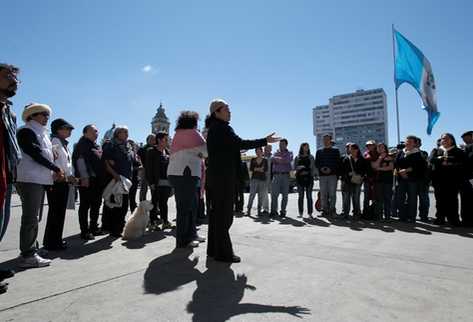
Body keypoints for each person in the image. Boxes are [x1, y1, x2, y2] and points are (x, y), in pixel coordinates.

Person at [206, 99, 279, 263]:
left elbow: (232, 147)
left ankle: (213, 250)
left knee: (216, 216)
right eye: (226, 109)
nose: (230, 112)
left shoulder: (215, 128)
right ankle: (223, 253)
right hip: (223, 179)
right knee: (224, 217)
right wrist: (264, 140)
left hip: (216, 178)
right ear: (217, 112)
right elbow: (240, 143)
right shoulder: (222, 128)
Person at [16, 103, 65, 268]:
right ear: (33, 115)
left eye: (47, 114)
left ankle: (32, 248)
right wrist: (55, 167)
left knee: (34, 217)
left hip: (40, 179)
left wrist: (53, 156)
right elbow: (34, 153)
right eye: (43, 114)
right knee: (30, 217)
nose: (46, 117)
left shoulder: (41, 133)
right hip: (30, 178)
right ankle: (27, 255)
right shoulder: (26, 130)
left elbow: (46, 153)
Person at [167, 111, 207, 248]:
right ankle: (183, 240)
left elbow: (201, 152)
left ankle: (191, 234)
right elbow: (206, 151)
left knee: (191, 207)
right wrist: (200, 152)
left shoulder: (179, 133)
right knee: (185, 208)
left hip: (183, 174)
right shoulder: (191, 133)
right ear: (193, 122)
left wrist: (199, 152)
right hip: (185, 173)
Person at [0, 63, 21, 293]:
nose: (13, 81)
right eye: (7, 76)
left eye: (16, 79)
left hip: (6, 173)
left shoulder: (8, 111)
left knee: (2, 223)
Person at [43, 118, 76, 251]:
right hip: (57, 181)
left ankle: (55, 239)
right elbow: (55, 162)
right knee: (56, 212)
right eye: (67, 129)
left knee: (59, 212)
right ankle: (52, 242)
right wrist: (63, 175)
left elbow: (66, 164)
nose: (69, 131)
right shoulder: (55, 142)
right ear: (58, 130)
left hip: (64, 180)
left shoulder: (62, 143)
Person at [72, 124, 106, 240]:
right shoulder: (81, 145)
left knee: (96, 205)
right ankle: (85, 231)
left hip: (97, 181)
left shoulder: (96, 145)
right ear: (85, 133)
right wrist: (84, 177)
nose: (96, 133)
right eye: (93, 131)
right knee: (85, 206)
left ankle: (94, 228)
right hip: (87, 180)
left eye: (97, 131)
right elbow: (80, 161)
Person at [102, 126, 135, 237]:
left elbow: (131, 161)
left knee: (124, 204)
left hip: (126, 180)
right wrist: (115, 175)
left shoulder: (128, 146)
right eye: (123, 132)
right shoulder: (110, 145)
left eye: (127, 132)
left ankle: (118, 227)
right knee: (115, 204)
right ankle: (113, 229)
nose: (126, 134)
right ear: (117, 133)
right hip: (115, 178)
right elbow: (105, 162)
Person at [429, 133, 467, 226]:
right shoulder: (436, 150)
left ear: (452, 140)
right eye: (442, 139)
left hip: (453, 180)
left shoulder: (458, 151)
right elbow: (431, 160)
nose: (443, 140)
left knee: (452, 200)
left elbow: (463, 163)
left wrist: (450, 164)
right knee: (439, 200)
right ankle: (440, 218)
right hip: (438, 180)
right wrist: (441, 158)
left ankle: (454, 219)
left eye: (446, 138)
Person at [394, 135, 427, 223]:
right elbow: (396, 164)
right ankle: (402, 216)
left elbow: (421, 167)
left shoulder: (418, 153)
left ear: (415, 144)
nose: (407, 143)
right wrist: (400, 171)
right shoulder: (401, 152)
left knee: (412, 199)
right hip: (401, 179)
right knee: (401, 198)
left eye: (410, 142)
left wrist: (407, 170)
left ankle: (411, 217)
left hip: (413, 179)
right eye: (407, 141)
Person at [146, 131, 173, 230]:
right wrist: (151, 182)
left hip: (166, 182)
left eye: (168, 139)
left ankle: (165, 221)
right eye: (165, 139)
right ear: (159, 140)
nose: (167, 141)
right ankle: (152, 222)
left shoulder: (167, 152)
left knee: (164, 203)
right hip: (156, 182)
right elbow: (148, 168)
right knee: (154, 202)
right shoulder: (151, 151)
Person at [315, 134, 341, 216]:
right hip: (322, 176)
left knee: (332, 194)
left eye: (327, 139)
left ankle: (332, 210)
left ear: (330, 140)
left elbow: (338, 163)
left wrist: (331, 169)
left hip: (332, 175)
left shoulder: (335, 151)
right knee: (323, 194)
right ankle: (325, 210)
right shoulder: (319, 151)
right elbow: (317, 163)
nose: (325, 141)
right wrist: (321, 168)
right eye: (324, 139)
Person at [340, 144, 368, 219]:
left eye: (352, 149)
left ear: (357, 150)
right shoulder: (346, 159)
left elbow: (365, 170)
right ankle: (346, 213)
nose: (351, 150)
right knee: (346, 198)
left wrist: (360, 175)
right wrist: (348, 173)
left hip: (357, 181)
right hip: (347, 181)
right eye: (350, 149)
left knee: (356, 198)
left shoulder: (362, 159)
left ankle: (357, 213)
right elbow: (342, 170)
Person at [270, 139, 293, 217]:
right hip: (276, 176)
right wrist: (282, 159)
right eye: (280, 144)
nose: (280, 145)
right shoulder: (275, 153)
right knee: (274, 195)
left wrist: (279, 159)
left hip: (285, 176)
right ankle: (273, 211)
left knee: (285, 195)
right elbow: (272, 159)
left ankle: (283, 211)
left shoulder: (290, 153)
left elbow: (288, 160)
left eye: (282, 144)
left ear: (286, 145)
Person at [372, 143, 395, 221]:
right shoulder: (376, 157)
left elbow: (391, 167)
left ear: (385, 148)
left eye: (382, 147)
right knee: (379, 199)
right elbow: (374, 166)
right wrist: (380, 158)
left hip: (388, 181)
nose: (380, 148)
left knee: (387, 199)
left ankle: (388, 217)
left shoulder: (390, 157)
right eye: (379, 147)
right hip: (378, 181)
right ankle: (380, 217)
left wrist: (380, 168)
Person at [294, 143, 316, 217]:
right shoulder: (297, 157)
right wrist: (299, 169)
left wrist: (304, 169)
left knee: (309, 196)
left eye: (307, 147)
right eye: (305, 147)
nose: (306, 148)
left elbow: (312, 167)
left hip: (309, 178)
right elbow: (295, 167)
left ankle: (310, 213)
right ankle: (300, 213)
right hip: (299, 179)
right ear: (302, 148)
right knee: (301, 196)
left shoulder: (311, 157)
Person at [246, 147, 269, 216]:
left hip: (262, 180)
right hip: (254, 179)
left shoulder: (265, 160)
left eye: (259, 151)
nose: (258, 153)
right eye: (257, 151)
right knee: (252, 195)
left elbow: (265, 169)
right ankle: (248, 210)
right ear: (256, 152)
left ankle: (259, 211)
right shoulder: (253, 159)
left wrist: (256, 169)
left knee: (260, 196)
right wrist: (259, 169)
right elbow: (251, 169)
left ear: (262, 152)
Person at [415, 138, 430, 222]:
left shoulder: (424, 153)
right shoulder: (406, 153)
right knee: (411, 199)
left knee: (424, 199)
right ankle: (411, 215)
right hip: (411, 180)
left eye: (417, 143)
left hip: (423, 180)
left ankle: (424, 216)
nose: (415, 145)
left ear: (420, 144)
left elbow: (424, 164)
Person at [362, 140, 379, 217]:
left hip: (377, 178)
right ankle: (365, 212)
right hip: (367, 178)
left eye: (371, 145)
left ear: (375, 145)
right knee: (366, 197)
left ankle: (375, 213)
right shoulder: (365, 154)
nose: (369, 146)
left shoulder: (379, 154)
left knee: (375, 197)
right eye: (367, 145)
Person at [137, 134, 156, 201]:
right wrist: (141, 165)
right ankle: (142, 203)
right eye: (151, 139)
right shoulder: (142, 148)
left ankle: (154, 204)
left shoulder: (156, 148)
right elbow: (138, 158)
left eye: (154, 139)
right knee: (143, 188)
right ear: (147, 140)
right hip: (145, 170)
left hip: (154, 171)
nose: (153, 141)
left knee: (154, 188)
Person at [460, 131, 473, 227]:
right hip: (465, 178)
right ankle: (466, 220)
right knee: (465, 200)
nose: (464, 140)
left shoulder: (467, 148)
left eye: (465, 138)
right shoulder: (465, 148)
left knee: (467, 200)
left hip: (469, 177)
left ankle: (467, 220)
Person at [128, 139, 141, 213]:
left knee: (132, 197)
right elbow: (131, 167)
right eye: (131, 144)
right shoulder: (129, 154)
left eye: (133, 144)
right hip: (129, 178)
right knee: (128, 198)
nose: (132, 145)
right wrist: (141, 167)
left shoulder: (134, 154)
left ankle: (133, 213)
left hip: (134, 178)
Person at [261, 145, 273, 215]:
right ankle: (265, 209)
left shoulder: (273, 157)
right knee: (264, 194)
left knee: (273, 194)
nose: (266, 150)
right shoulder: (261, 157)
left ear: (271, 149)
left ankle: (274, 209)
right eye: (265, 149)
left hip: (272, 177)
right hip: (263, 178)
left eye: (268, 149)